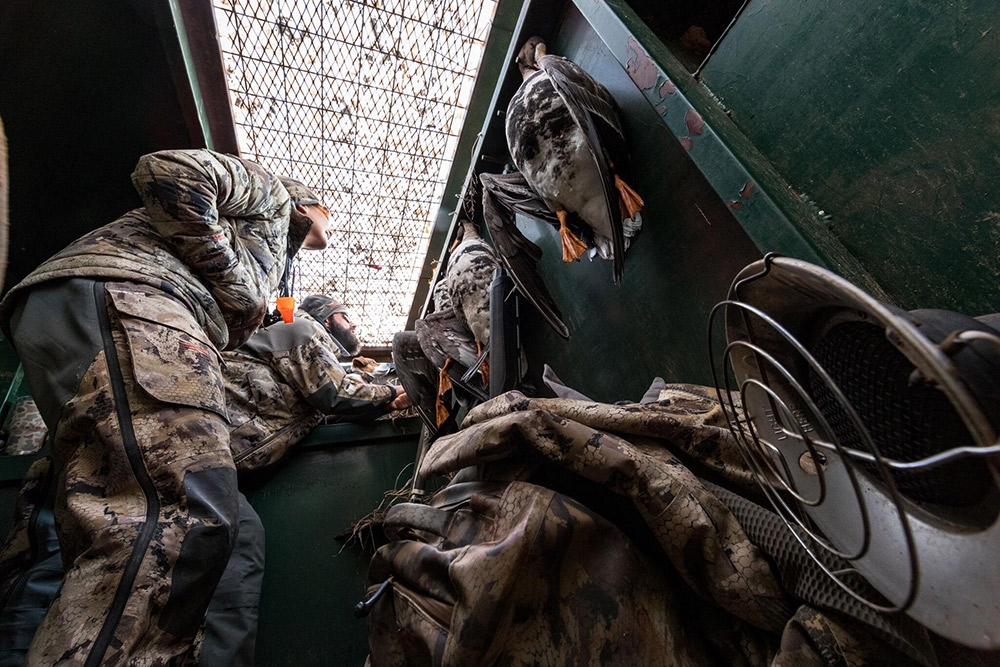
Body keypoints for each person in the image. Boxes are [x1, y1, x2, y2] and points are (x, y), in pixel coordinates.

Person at [0, 149, 330, 665]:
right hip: (132, 299)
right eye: (326, 210)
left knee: (150, 516)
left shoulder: (277, 259)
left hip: (94, 313)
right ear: (307, 206)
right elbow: (168, 171)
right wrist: (242, 292)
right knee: (176, 516)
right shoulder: (269, 193)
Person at [0, 296, 410, 666]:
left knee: (69, 562)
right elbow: (333, 391)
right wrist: (394, 394)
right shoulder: (302, 330)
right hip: (170, 444)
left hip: (182, 458)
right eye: (346, 316)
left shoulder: (291, 358)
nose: (354, 325)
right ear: (326, 319)